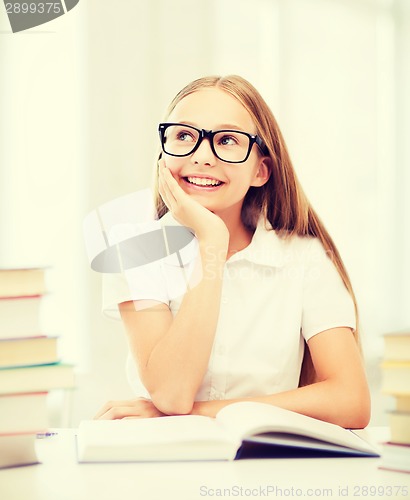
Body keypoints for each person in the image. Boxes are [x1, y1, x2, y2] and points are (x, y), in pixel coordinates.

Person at [96, 75, 370, 428]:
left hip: (265, 464)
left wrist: (200, 413)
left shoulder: (305, 256)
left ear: (261, 170)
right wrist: (211, 240)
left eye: (226, 140)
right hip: (166, 463)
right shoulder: (135, 250)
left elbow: (351, 400)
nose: (202, 157)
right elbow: (171, 392)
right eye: (183, 136)